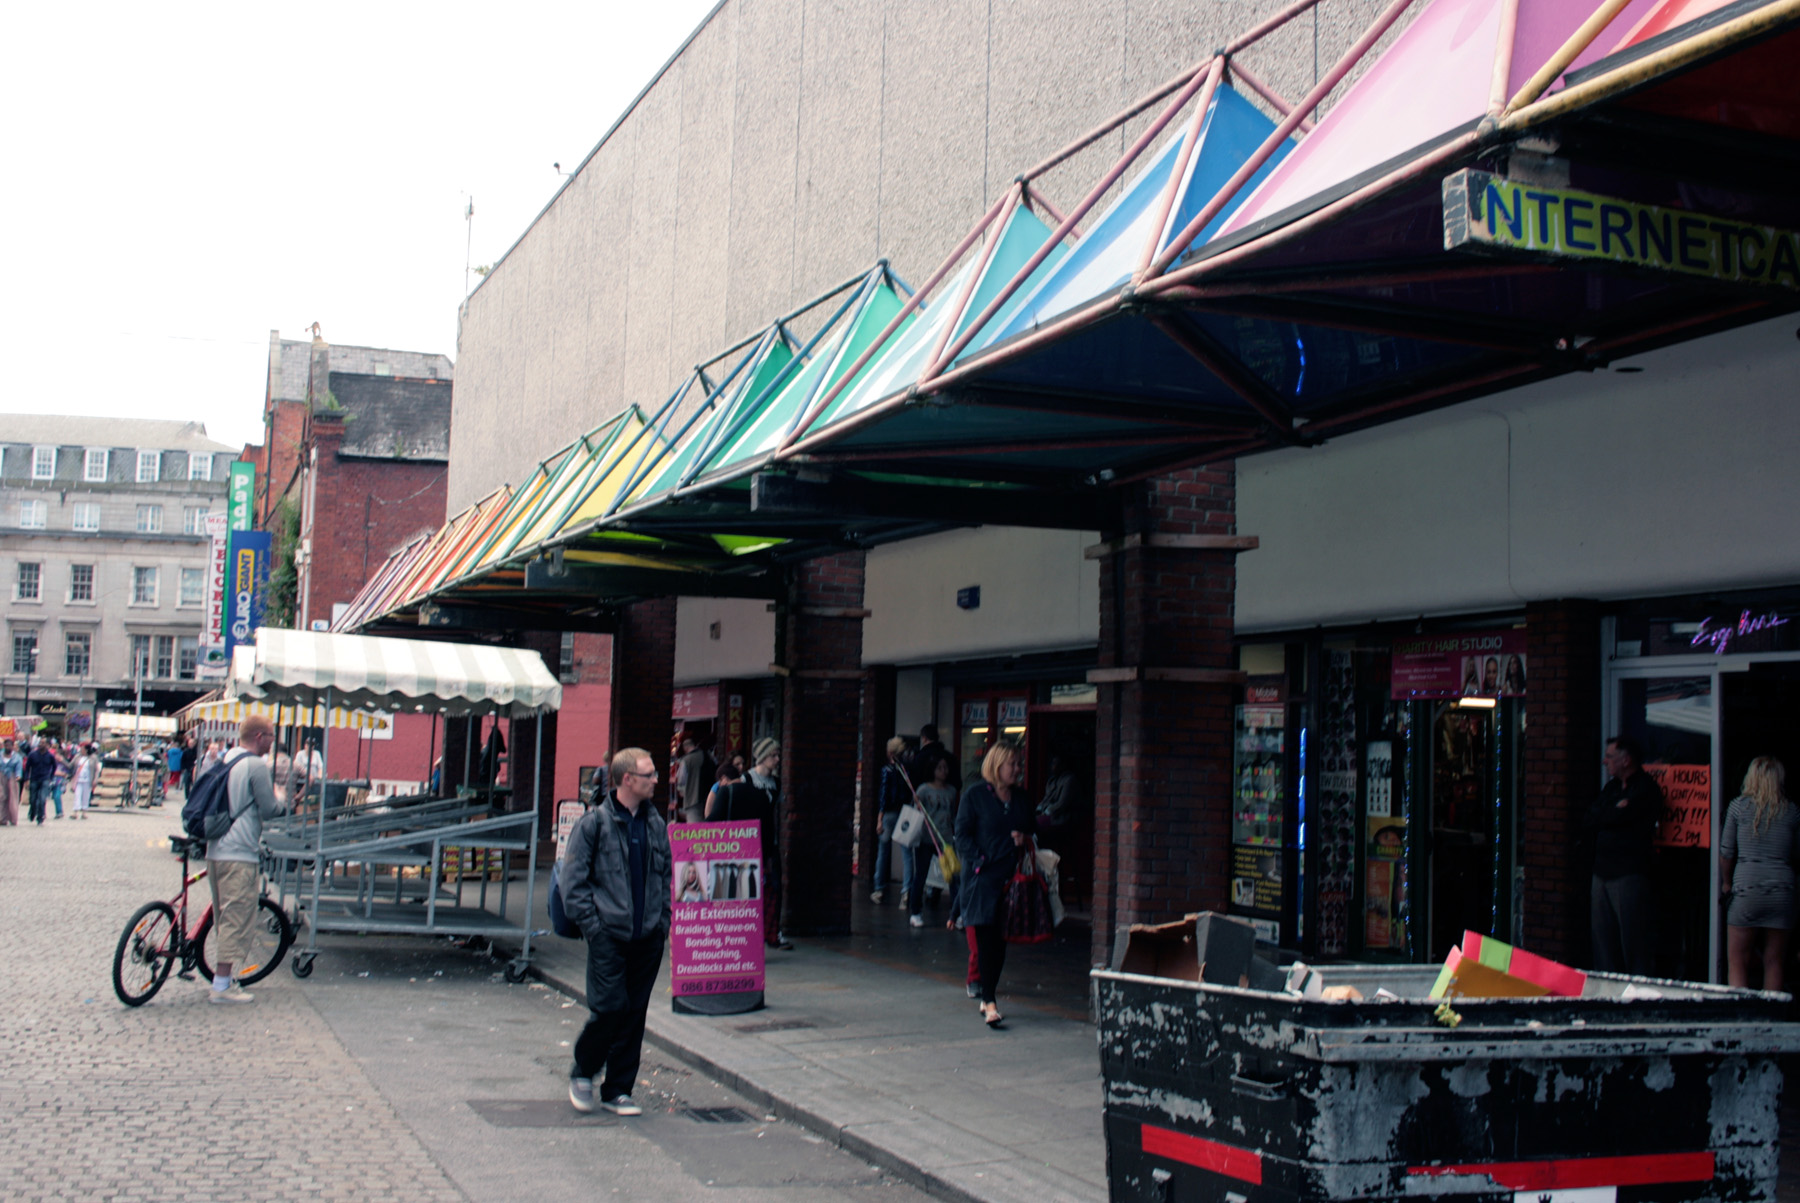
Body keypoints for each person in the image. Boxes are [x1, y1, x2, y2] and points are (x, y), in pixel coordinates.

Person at [561, 746, 671, 1117]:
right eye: (649, 774)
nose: (657, 779)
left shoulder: (656, 823)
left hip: (647, 937)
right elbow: (572, 884)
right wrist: (594, 928)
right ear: (628, 779)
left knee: (634, 1012)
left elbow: (666, 876)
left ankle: (618, 1090)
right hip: (609, 934)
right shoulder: (594, 824)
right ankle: (583, 1071)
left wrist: (662, 922)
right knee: (610, 1009)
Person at [955, 739, 1035, 1028]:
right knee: (985, 941)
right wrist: (978, 861)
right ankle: (990, 1002)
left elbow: (1033, 830)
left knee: (999, 943)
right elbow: (961, 834)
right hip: (981, 880)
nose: (1018, 769)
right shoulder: (975, 795)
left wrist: (1024, 839)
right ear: (996, 765)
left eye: (1019, 763)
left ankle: (987, 995)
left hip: (1010, 880)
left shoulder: (1021, 798)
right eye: (1012, 764)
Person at [204, 715, 284, 1004]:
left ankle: (222, 979)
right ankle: (222, 987)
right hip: (239, 853)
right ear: (260, 737)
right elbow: (270, 809)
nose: (272, 743)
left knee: (224, 918)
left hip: (215, 850)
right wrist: (283, 797)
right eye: (272, 737)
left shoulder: (225, 761)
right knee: (236, 920)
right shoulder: (255, 766)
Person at [1584, 735, 1664, 976]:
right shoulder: (1611, 788)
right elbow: (1591, 817)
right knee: (1602, 940)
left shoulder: (1645, 788)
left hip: (1628, 874)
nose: (1604, 762)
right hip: (1601, 873)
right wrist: (1614, 810)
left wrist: (1612, 814)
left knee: (1633, 939)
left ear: (1626, 760)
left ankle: (1637, 991)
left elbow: (1628, 818)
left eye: (1610, 757)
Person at [1720, 757, 1800, 991]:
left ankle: (1741, 1015)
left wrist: (1726, 884)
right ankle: (1772, 1016)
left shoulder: (1737, 807)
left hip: (1747, 889)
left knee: (1737, 960)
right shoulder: (1792, 811)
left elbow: (1726, 852)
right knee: (1774, 961)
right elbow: (1796, 854)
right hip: (1782, 891)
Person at [709, 737, 790, 949]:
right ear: (762, 756)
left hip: (767, 839)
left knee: (772, 887)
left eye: (778, 755)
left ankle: (772, 932)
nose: (777, 759)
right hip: (747, 842)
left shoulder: (776, 782)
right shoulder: (746, 779)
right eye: (773, 755)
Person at [911, 752, 957, 928]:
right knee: (921, 875)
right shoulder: (923, 790)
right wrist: (916, 803)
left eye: (945, 767)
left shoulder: (952, 791)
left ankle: (956, 913)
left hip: (945, 839)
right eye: (940, 768)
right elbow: (915, 812)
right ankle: (915, 912)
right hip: (926, 838)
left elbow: (952, 814)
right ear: (933, 770)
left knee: (953, 875)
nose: (943, 771)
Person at [872, 736, 910, 905]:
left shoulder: (887, 770)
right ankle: (906, 890)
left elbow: (883, 795)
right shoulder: (906, 770)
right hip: (904, 813)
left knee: (883, 851)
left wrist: (879, 819)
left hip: (889, 814)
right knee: (906, 853)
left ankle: (879, 889)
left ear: (890, 753)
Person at [675, 734, 713, 825]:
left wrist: (682, 791)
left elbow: (681, 780)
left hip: (692, 799)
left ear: (685, 748)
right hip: (710, 797)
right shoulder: (708, 756)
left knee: (694, 828)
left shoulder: (686, 760)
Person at [24, 736, 56, 825]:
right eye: (40, 742)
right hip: (34, 779)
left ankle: (40, 816)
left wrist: (51, 777)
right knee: (32, 799)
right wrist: (26, 779)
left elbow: (54, 766)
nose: (40, 744)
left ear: (47, 745)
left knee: (42, 799)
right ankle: (33, 812)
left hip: (45, 779)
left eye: (43, 743)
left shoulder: (50, 756)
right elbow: (27, 768)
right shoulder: (32, 754)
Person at [70, 741, 96, 819]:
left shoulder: (93, 757)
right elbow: (70, 765)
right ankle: (75, 812)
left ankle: (84, 812)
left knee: (86, 796)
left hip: (88, 779)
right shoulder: (77, 757)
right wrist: (62, 760)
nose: (81, 750)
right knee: (77, 795)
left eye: (82, 748)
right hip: (78, 779)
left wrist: (95, 779)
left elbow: (97, 769)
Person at [0, 738, 19, 826]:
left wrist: (18, 775)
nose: (7, 747)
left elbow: (18, 767)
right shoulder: (0, 755)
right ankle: (2, 818)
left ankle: (13, 819)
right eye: (6, 745)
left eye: (9, 745)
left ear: (12, 746)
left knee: (12, 798)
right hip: (1, 776)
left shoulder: (16, 757)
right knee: (2, 797)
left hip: (12, 777)